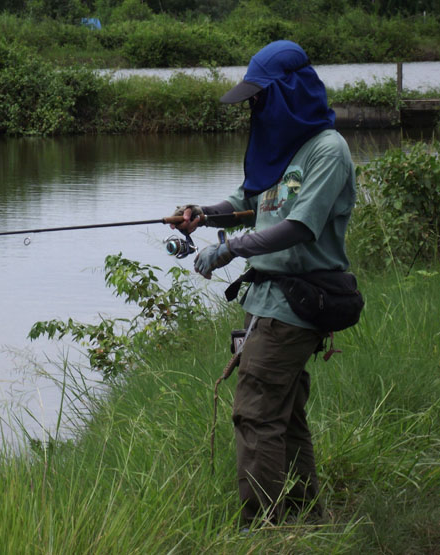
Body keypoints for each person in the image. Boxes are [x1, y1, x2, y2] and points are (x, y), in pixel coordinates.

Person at [170, 40, 357, 527]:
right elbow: (248, 198)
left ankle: (263, 529)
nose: (254, 108)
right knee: (284, 418)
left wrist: (228, 249)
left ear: (288, 94)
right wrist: (203, 215)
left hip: (296, 304)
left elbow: (298, 227)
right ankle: (306, 521)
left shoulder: (327, 150)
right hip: (265, 300)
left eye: (259, 98)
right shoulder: (281, 149)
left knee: (254, 415)